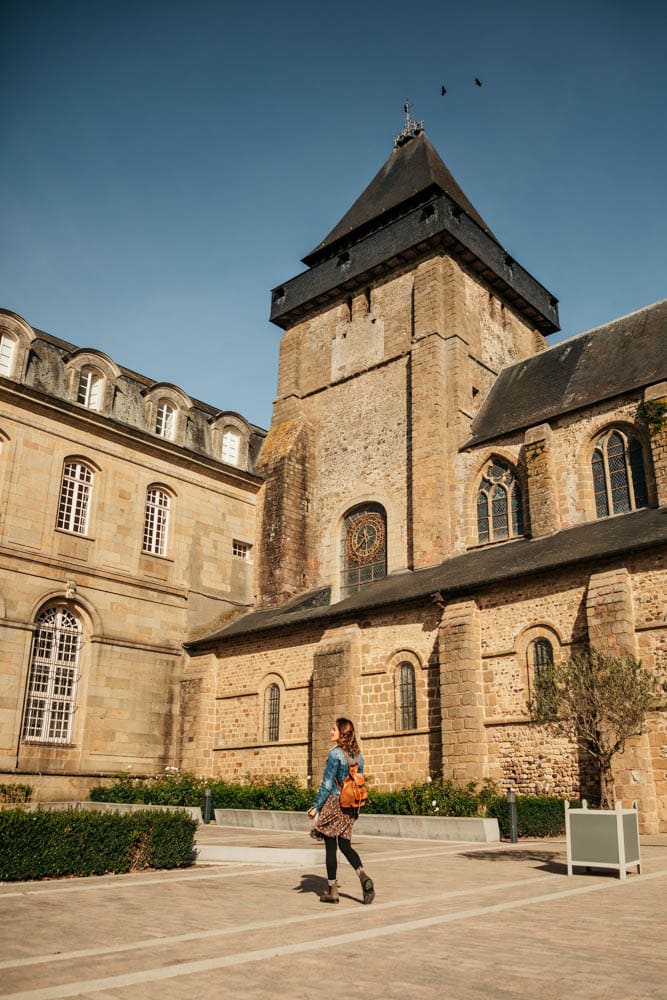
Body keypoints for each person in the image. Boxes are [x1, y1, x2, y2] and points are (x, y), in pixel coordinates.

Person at [307, 717, 375, 905]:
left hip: (334, 803)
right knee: (345, 846)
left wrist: (316, 806)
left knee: (331, 847)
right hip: (350, 807)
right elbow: (358, 780)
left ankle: (332, 891)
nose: (331, 732)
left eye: (334, 729)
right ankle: (363, 876)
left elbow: (327, 784)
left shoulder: (335, 755)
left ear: (341, 733)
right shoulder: (358, 756)